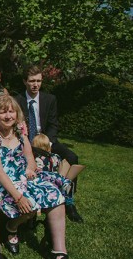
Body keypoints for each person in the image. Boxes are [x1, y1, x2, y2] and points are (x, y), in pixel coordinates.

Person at [0, 95, 78, 259]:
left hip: (23, 177)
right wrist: (18, 197)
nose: (8, 116)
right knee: (29, 204)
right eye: (3, 111)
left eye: (11, 111)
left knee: (55, 195)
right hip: (1, 181)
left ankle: (60, 256)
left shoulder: (19, 132)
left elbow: (30, 156)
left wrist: (31, 168)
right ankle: (11, 227)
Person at [15, 65, 84, 223]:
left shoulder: (49, 99)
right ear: (24, 81)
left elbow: (53, 124)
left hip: (47, 140)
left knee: (72, 157)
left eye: (39, 81)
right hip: (25, 142)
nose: (36, 84)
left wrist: (49, 143)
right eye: (32, 81)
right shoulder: (17, 100)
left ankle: (69, 201)